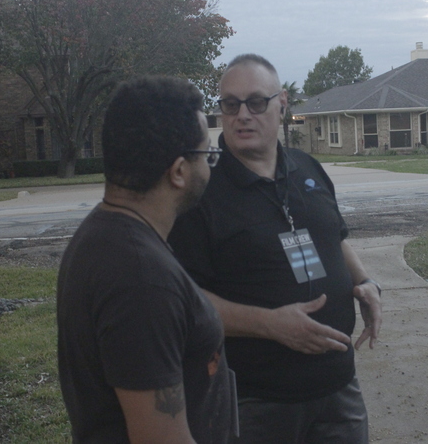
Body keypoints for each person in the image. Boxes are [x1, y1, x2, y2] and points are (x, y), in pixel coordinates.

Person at [168, 54, 383, 443]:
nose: (242, 115)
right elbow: (186, 302)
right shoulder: (202, 194)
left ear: (281, 103)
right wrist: (270, 324)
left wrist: (365, 282)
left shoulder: (308, 168)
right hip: (256, 401)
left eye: (255, 102)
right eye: (230, 104)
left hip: (338, 387)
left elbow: (334, 237)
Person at [57, 75, 235, 443]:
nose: (210, 166)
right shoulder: (142, 279)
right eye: (207, 155)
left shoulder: (104, 234)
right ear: (179, 171)